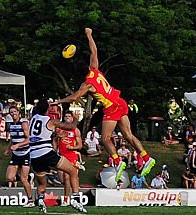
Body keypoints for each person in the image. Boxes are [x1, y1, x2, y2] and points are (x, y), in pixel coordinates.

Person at [52, 28, 155, 180]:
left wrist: (59, 101)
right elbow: (94, 51)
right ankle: (146, 158)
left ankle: (118, 161)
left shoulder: (87, 85)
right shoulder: (95, 69)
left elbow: (74, 98)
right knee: (128, 135)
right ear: (87, 67)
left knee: (105, 138)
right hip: (120, 101)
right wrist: (89, 35)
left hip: (111, 107)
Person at [28, 99, 85, 214]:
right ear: (48, 109)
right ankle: (75, 198)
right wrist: (76, 119)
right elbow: (70, 127)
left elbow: (42, 132)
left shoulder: (32, 119)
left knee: (42, 183)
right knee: (73, 171)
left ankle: (40, 200)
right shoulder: (51, 120)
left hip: (34, 155)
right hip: (46, 152)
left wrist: (55, 134)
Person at [5, 104, 33, 202]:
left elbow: (30, 139)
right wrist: (8, 148)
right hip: (16, 155)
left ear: (18, 113)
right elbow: (13, 139)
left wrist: (18, 145)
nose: (13, 114)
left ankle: (30, 200)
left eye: (14, 112)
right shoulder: (12, 125)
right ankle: (26, 176)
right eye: (11, 112)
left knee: (24, 180)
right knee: (9, 177)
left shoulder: (24, 123)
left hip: (25, 153)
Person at [56, 112, 85, 200]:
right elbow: (54, 139)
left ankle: (67, 198)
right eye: (66, 116)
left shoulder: (75, 130)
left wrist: (72, 147)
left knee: (67, 177)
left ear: (72, 118)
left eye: (69, 116)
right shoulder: (60, 129)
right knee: (62, 180)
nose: (67, 118)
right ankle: (68, 195)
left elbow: (80, 146)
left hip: (71, 156)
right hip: (61, 155)